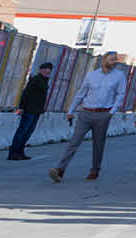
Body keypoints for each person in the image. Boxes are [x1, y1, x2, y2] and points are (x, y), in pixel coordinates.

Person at [51, 52, 127, 183]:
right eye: (111, 59)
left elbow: (120, 95)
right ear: (104, 60)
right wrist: (71, 110)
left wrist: (111, 112)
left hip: (103, 114)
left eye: (115, 60)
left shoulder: (119, 76)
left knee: (98, 144)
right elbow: (81, 94)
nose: (114, 62)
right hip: (85, 113)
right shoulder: (91, 75)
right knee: (74, 142)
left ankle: (95, 170)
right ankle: (60, 169)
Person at [9, 61, 55, 159]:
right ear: (41, 70)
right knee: (22, 131)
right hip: (29, 109)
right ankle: (14, 152)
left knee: (28, 132)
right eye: (46, 70)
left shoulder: (44, 80)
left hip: (36, 110)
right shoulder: (35, 79)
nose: (48, 73)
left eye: (49, 71)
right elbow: (26, 93)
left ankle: (20, 152)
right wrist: (21, 107)